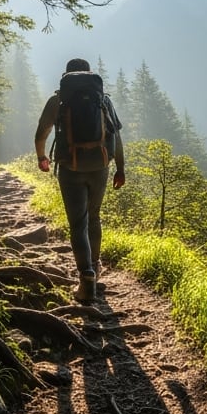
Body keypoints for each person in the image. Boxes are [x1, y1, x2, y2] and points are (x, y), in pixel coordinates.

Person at [34, 58, 126, 303]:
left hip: (70, 168)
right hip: (100, 165)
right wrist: (121, 169)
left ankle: (86, 278)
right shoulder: (103, 100)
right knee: (93, 217)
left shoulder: (58, 100)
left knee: (78, 224)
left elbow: (41, 133)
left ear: (66, 76)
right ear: (89, 73)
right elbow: (116, 138)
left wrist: (42, 157)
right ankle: (94, 267)